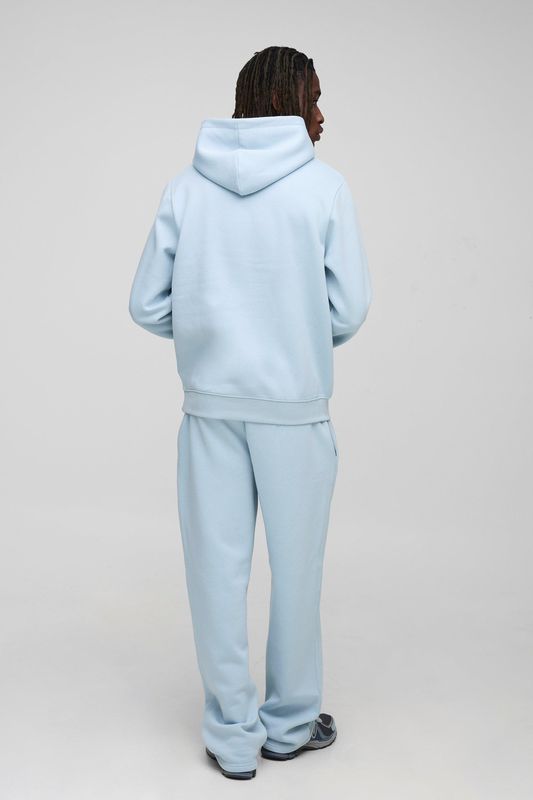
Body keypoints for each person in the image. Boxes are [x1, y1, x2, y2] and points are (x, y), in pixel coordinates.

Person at [128, 45, 372, 780]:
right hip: (294, 412)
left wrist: (211, 334)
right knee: (297, 574)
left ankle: (232, 738)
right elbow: (348, 309)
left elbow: (146, 304)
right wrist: (293, 335)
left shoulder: (184, 189)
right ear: (287, 98)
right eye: (315, 97)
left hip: (209, 412)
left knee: (215, 573)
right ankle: (290, 726)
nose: (322, 114)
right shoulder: (324, 189)